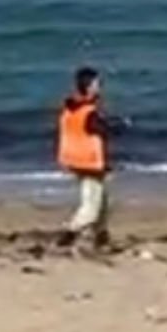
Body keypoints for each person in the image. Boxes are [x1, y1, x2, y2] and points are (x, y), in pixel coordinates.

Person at [56, 67, 123, 251]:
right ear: (89, 87)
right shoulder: (88, 112)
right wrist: (118, 126)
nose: (100, 87)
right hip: (89, 163)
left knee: (102, 203)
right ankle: (67, 236)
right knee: (91, 210)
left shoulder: (70, 108)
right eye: (97, 84)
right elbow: (99, 129)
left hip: (75, 160)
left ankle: (101, 238)